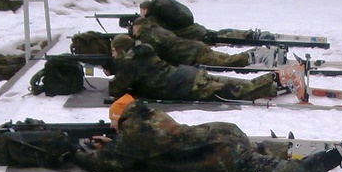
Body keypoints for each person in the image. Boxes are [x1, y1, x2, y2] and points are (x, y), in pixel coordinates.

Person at [75, 99, 342, 172]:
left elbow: (104, 163)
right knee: (257, 152)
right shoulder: (149, 117)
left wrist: (73, 152)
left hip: (218, 155)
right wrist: (112, 142)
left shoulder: (134, 135)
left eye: (113, 122)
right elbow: (140, 146)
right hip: (222, 133)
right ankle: (288, 149)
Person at [107, 35, 281, 103]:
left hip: (185, 86)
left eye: (114, 51)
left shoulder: (129, 64)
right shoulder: (144, 52)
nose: (113, 55)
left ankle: (275, 83)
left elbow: (115, 89)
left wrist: (113, 69)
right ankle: (274, 80)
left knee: (233, 92)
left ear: (121, 50)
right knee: (230, 82)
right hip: (186, 74)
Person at [130, 17, 287, 69]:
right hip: (195, 47)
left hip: (192, 54)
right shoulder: (157, 29)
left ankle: (258, 55)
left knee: (226, 63)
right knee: (225, 58)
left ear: (138, 26)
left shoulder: (148, 35)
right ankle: (265, 53)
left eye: (133, 29)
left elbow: (151, 53)